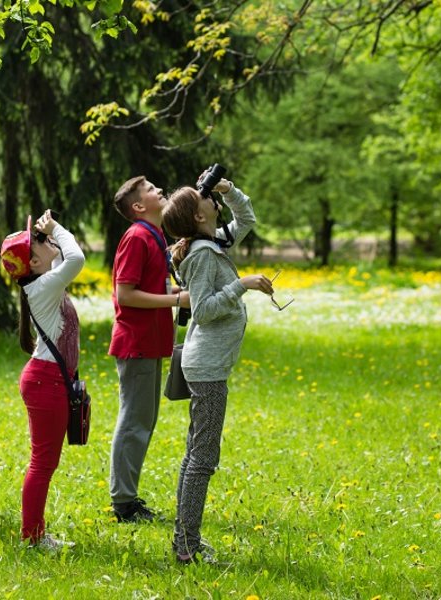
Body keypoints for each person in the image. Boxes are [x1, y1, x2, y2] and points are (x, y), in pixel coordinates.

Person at [161, 176, 274, 564]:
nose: (211, 199)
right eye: (206, 198)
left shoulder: (212, 241)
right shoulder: (204, 254)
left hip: (206, 365)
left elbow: (247, 218)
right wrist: (241, 285)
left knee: (195, 455)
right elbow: (205, 309)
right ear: (198, 215)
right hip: (207, 369)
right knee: (202, 459)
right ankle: (187, 548)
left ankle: (184, 541)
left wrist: (227, 190)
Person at [0, 210, 85, 550]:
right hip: (45, 381)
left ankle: (35, 533)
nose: (45, 238)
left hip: (51, 380)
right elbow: (75, 257)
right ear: (33, 261)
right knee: (43, 462)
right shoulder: (44, 285)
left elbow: (68, 254)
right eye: (37, 240)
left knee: (46, 461)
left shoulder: (44, 281)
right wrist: (55, 228)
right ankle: (32, 537)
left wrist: (50, 235)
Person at [108, 177, 190, 523]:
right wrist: (176, 298)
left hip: (151, 344)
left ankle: (127, 498)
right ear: (139, 207)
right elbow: (124, 294)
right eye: (153, 190)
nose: (160, 191)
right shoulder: (138, 236)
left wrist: (173, 287)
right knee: (134, 421)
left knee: (144, 419)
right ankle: (124, 504)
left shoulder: (155, 236)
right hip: (136, 343)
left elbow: (150, 283)